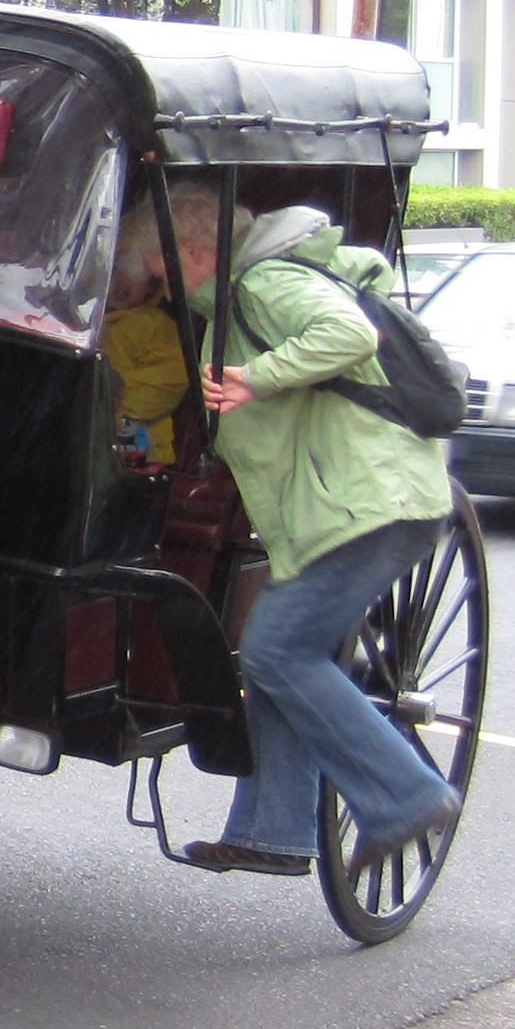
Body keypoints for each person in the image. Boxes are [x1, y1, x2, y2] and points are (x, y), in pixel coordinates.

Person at [163, 183, 463, 877]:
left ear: (193, 251)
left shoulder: (266, 280)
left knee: (278, 652)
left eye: (160, 266)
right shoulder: (242, 295)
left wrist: (258, 378)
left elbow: (351, 334)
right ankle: (275, 829)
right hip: (345, 508)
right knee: (274, 657)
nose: (161, 282)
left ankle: (406, 796)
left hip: (369, 505)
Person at [103, 207, 191, 465]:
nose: (122, 280)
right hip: (88, 423)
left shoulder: (154, 323)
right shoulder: (78, 321)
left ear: (153, 283)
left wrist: (112, 399)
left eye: (137, 272)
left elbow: (171, 379)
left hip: (134, 426)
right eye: (116, 267)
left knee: (124, 463)